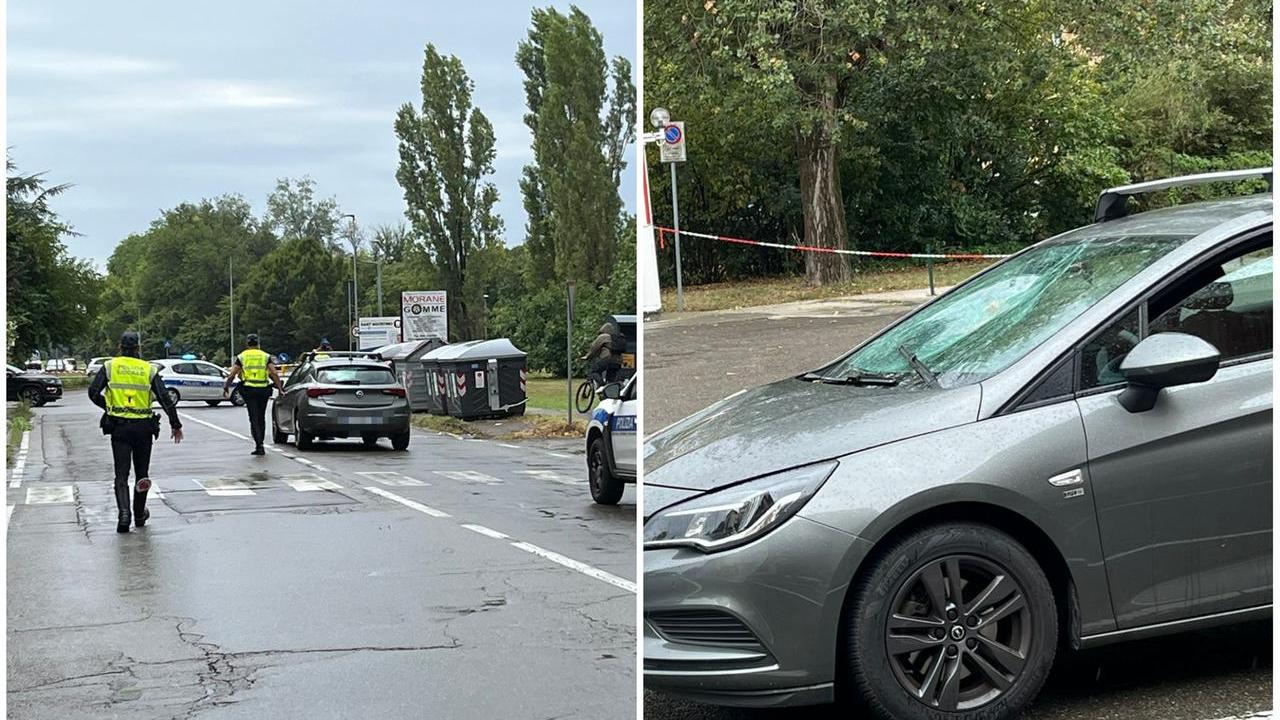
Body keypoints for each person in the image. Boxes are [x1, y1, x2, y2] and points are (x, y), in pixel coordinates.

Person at [88, 331, 184, 533]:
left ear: (120, 347)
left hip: (119, 427)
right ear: (138, 348)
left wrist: (109, 407)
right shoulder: (148, 369)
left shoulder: (110, 367)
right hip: (143, 428)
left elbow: (93, 392)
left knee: (121, 474)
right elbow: (165, 398)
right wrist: (175, 424)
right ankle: (139, 514)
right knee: (142, 473)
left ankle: (124, 515)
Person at [223, 333, 284, 455]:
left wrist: (226, 387)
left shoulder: (242, 356)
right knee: (261, 417)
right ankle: (261, 443)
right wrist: (280, 388)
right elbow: (273, 373)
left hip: (249, 390)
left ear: (247, 343)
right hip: (263, 390)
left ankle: (259, 445)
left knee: (253, 417)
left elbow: (232, 374)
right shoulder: (265, 356)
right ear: (258, 343)